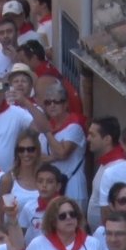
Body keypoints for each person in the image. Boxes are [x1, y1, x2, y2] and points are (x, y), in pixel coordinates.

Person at [40, 82, 88, 212]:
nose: (52, 105)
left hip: (73, 183)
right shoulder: (47, 128)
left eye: (57, 101)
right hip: (52, 185)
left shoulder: (74, 126)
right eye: (48, 102)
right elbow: (40, 158)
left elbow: (62, 153)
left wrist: (47, 132)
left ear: (65, 104)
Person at [85, 116, 124, 230]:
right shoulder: (106, 163)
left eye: (92, 135)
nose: (88, 138)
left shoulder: (117, 167)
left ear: (107, 139)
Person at [0, 129, 41, 226]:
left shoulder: (45, 177)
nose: (26, 154)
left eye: (30, 149)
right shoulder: (8, 180)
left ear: (38, 151)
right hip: (16, 236)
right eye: (21, 150)